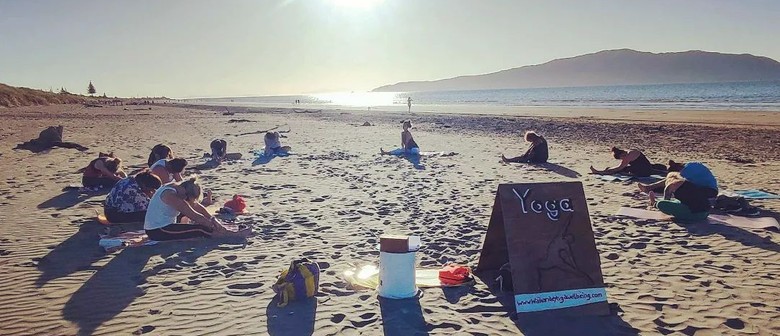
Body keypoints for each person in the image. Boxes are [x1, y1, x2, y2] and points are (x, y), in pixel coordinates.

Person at [144, 176, 227, 241]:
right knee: (201, 230)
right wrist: (216, 227)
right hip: (158, 230)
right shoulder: (170, 195)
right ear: (185, 192)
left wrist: (213, 219)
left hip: (162, 224)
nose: (186, 201)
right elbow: (195, 216)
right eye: (187, 199)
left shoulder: (175, 187)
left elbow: (197, 206)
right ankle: (229, 235)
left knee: (202, 223)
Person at [638, 160, 718, 221]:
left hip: (707, 194)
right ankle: (649, 188)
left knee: (663, 203)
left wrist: (664, 202)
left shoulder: (683, 176)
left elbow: (667, 195)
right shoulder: (690, 165)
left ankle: (654, 201)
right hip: (706, 209)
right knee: (681, 200)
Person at [590, 147, 665, 177]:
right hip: (644, 167)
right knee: (619, 169)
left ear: (622, 155)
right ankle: (602, 171)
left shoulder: (629, 155)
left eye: (621, 158)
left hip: (643, 170)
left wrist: (609, 170)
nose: (622, 159)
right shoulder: (629, 152)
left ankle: (600, 172)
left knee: (619, 170)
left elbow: (619, 167)